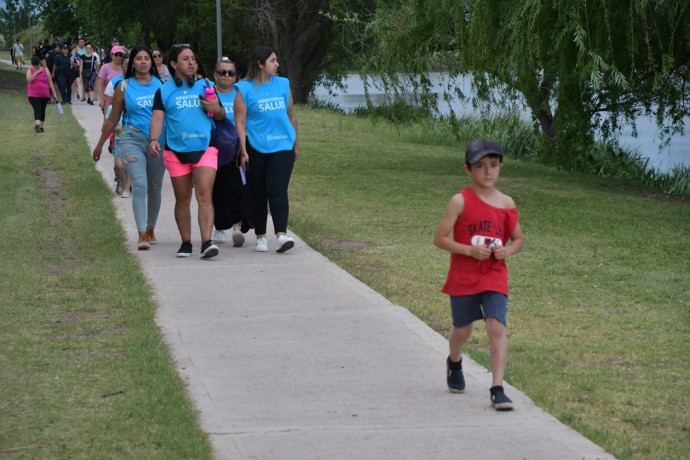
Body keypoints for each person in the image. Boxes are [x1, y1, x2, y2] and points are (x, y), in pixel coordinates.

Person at [433, 139, 525, 411]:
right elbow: (439, 239)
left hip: (494, 275)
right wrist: (469, 251)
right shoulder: (460, 201)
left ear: (500, 167)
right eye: (480, 166)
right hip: (464, 276)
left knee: (496, 325)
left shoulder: (507, 203)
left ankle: (497, 388)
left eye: (494, 165)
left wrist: (508, 250)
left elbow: (519, 239)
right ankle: (454, 360)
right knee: (463, 329)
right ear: (468, 170)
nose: (488, 172)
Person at [148, 44, 226, 259]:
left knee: (204, 195)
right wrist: (153, 139)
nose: (191, 62)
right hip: (176, 151)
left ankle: (207, 242)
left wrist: (216, 109)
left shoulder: (206, 85)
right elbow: (157, 119)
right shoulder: (163, 91)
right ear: (173, 64)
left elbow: (221, 115)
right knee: (182, 198)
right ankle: (186, 243)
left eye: (193, 58)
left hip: (205, 148)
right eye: (185, 59)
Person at [93, 44, 166, 251]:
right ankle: (141, 232)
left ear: (152, 62)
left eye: (147, 58)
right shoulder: (123, 86)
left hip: (158, 142)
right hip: (132, 139)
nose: (143, 62)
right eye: (139, 58)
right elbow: (113, 117)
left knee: (155, 186)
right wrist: (99, 145)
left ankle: (151, 228)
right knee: (139, 185)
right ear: (132, 62)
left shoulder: (161, 85)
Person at [234, 46, 299, 253]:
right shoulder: (243, 88)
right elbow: (240, 122)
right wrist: (243, 150)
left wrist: (295, 144)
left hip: (282, 145)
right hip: (256, 146)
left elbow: (291, 115)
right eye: (272, 61)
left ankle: (281, 235)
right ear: (260, 64)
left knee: (278, 190)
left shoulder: (283, 84)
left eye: (276, 60)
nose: (277, 64)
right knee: (258, 192)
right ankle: (260, 236)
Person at [211, 56, 251, 246]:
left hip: (238, 147)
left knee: (238, 188)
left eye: (231, 73)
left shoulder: (241, 93)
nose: (226, 76)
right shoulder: (209, 93)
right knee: (217, 189)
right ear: (215, 75)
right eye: (222, 72)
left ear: (236, 77)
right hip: (215, 147)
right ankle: (219, 227)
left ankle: (237, 226)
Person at [26, 55, 59, 133]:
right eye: (34, 65)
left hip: (44, 94)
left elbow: (50, 83)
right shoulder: (30, 70)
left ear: (39, 63)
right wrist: (36, 72)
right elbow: (29, 80)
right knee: (37, 109)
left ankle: (41, 126)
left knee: (42, 110)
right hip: (33, 95)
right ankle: (37, 125)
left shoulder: (45, 70)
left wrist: (54, 93)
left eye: (36, 65)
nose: (35, 66)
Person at [96, 45, 125, 112]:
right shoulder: (105, 68)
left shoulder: (125, 68)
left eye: (120, 55)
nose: (118, 57)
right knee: (108, 120)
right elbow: (100, 84)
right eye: (116, 54)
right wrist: (101, 99)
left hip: (123, 100)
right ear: (111, 55)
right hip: (108, 100)